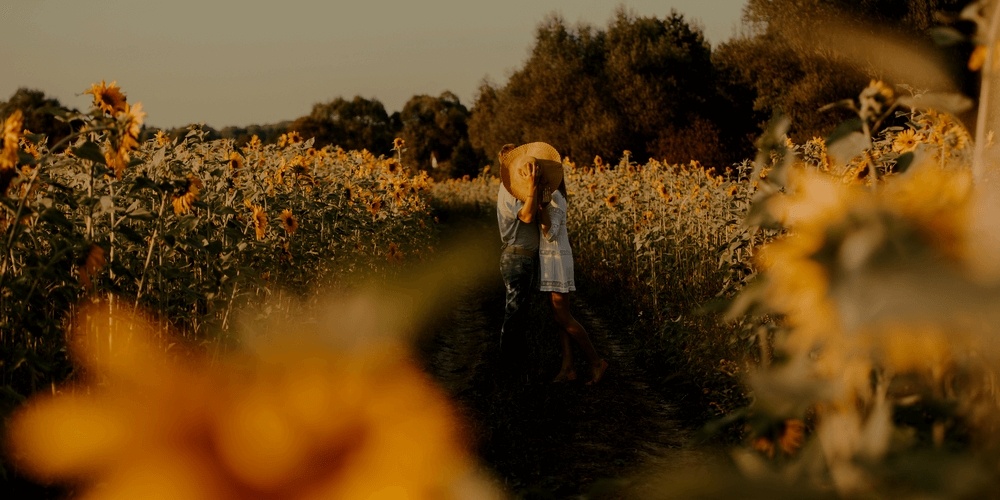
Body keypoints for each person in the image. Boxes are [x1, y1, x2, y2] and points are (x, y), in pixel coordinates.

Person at [496, 142, 563, 374]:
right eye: (522, 169)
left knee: (520, 312)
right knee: (514, 313)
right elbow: (526, 217)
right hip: (517, 258)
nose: (527, 172)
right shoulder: (509, 191)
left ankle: (515, 363)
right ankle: (507, 366)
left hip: (524, 258)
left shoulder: (521, 191)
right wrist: (533, 189)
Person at [538, 179, 609, 385]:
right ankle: (568, 367)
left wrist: (542, 209)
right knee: (558, 317)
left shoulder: (557, 198)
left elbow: (550, 235)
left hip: (558, 259)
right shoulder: (547, 198)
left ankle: (596, 361)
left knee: (564, 316)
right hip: (549, 259)